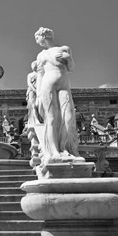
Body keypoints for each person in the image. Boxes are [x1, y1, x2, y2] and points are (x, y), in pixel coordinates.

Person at [34, 27, 81, 163]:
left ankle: (65, 148)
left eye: (37, 38)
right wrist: (37, 96)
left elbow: (71, 68)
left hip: (64, 85)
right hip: (47, 85)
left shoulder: (65, 49)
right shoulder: (41, 55)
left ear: (44, 35)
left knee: (68, 117)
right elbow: (40, 74)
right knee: (51, 118)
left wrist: (69, 58)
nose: (37, 42)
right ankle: (53, 151)